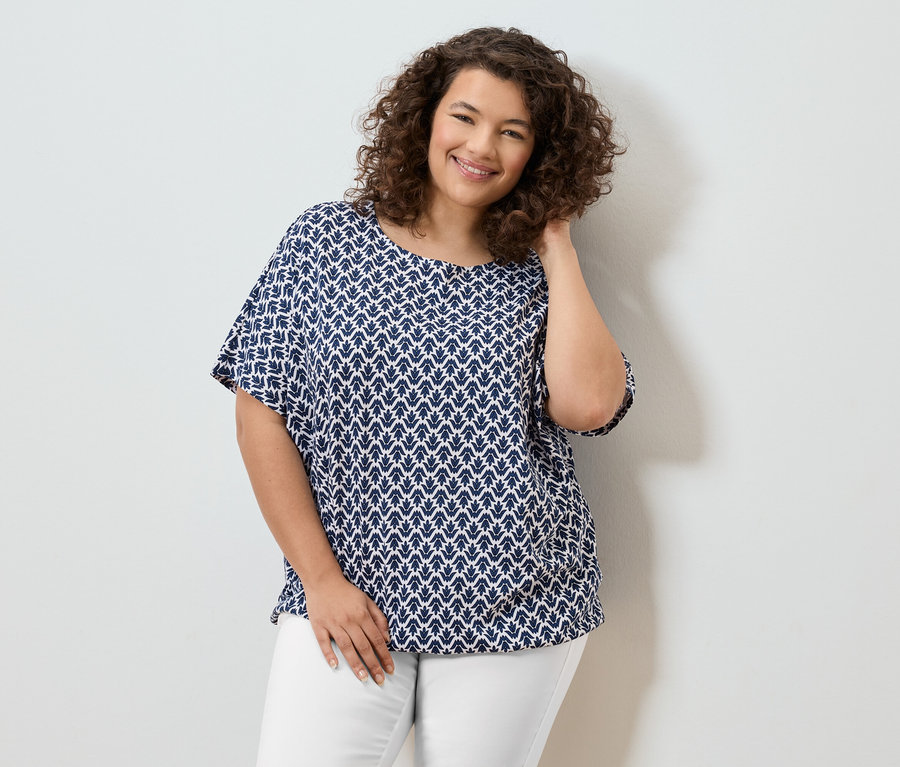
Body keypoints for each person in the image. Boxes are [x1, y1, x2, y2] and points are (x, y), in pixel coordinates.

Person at [211, 26, 635, 767]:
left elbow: (588, 406)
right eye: (465, 117)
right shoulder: (324, 241)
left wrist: (558, 238)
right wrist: (319, 579)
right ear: (426, 118)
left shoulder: (539, 277)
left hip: (517, 598)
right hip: (349, 595)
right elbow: (260, 410)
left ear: (541, 154)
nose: (481, 146)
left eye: (514, 132)